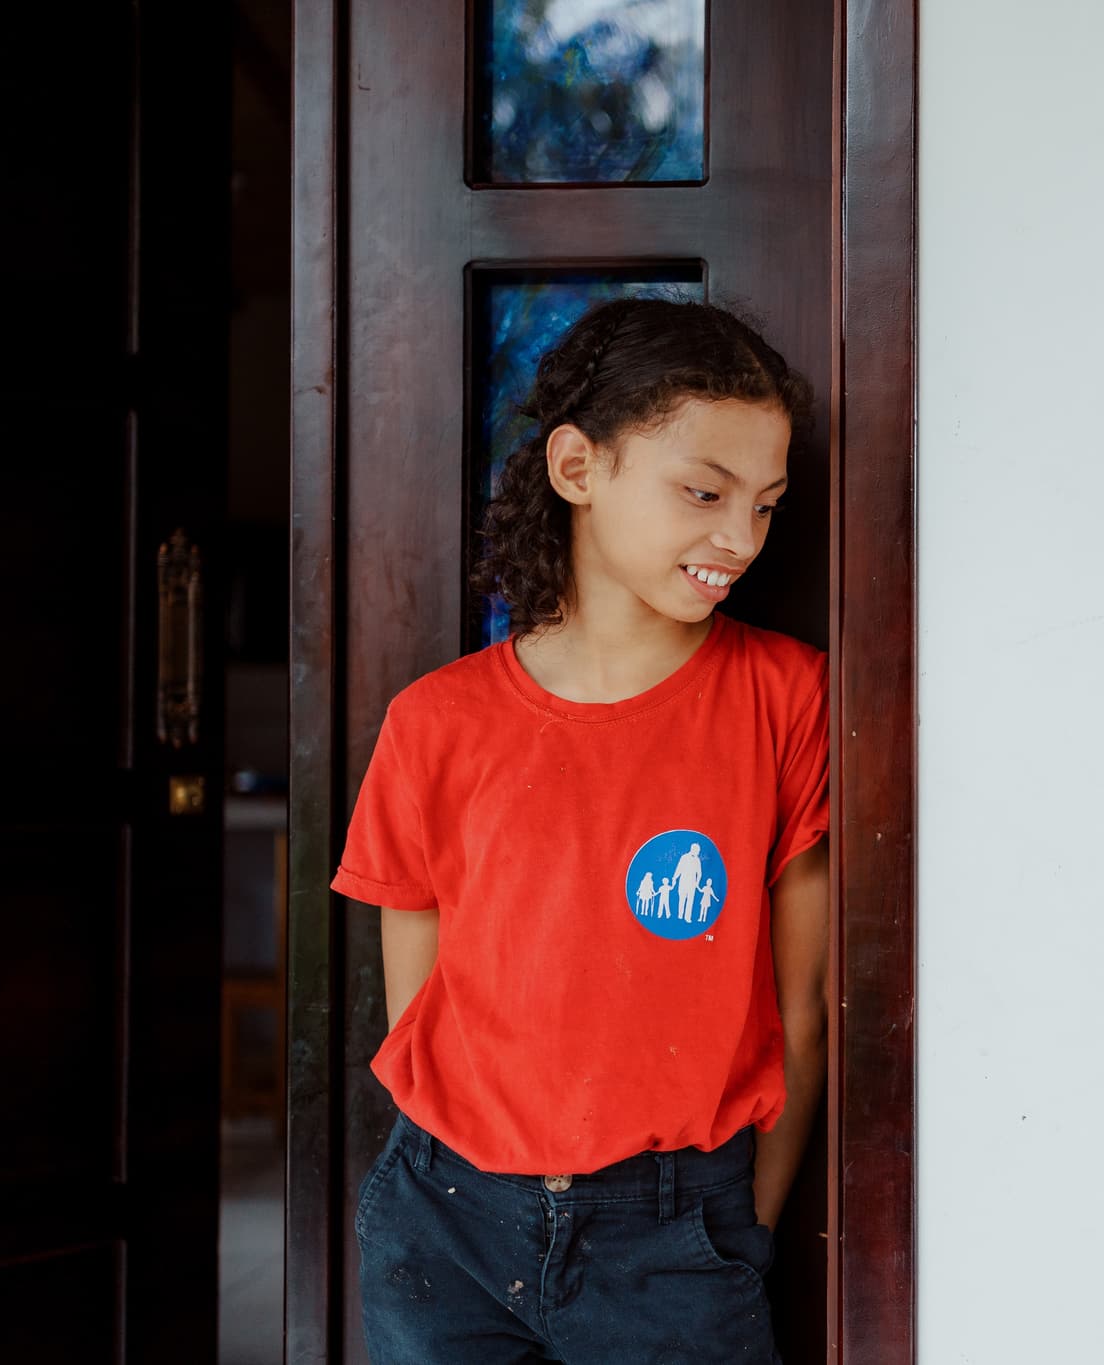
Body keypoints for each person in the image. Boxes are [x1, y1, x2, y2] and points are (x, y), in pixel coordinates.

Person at [331, 297, 831, 1364]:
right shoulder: (436, 722)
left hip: (677, 1234)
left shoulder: (786, 701)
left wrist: (744, 1233)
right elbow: (418, 1011)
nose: (739, 537)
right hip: (443, 1222)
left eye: (767, 504)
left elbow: (804, 1008)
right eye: (703, 492)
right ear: (576, 468)